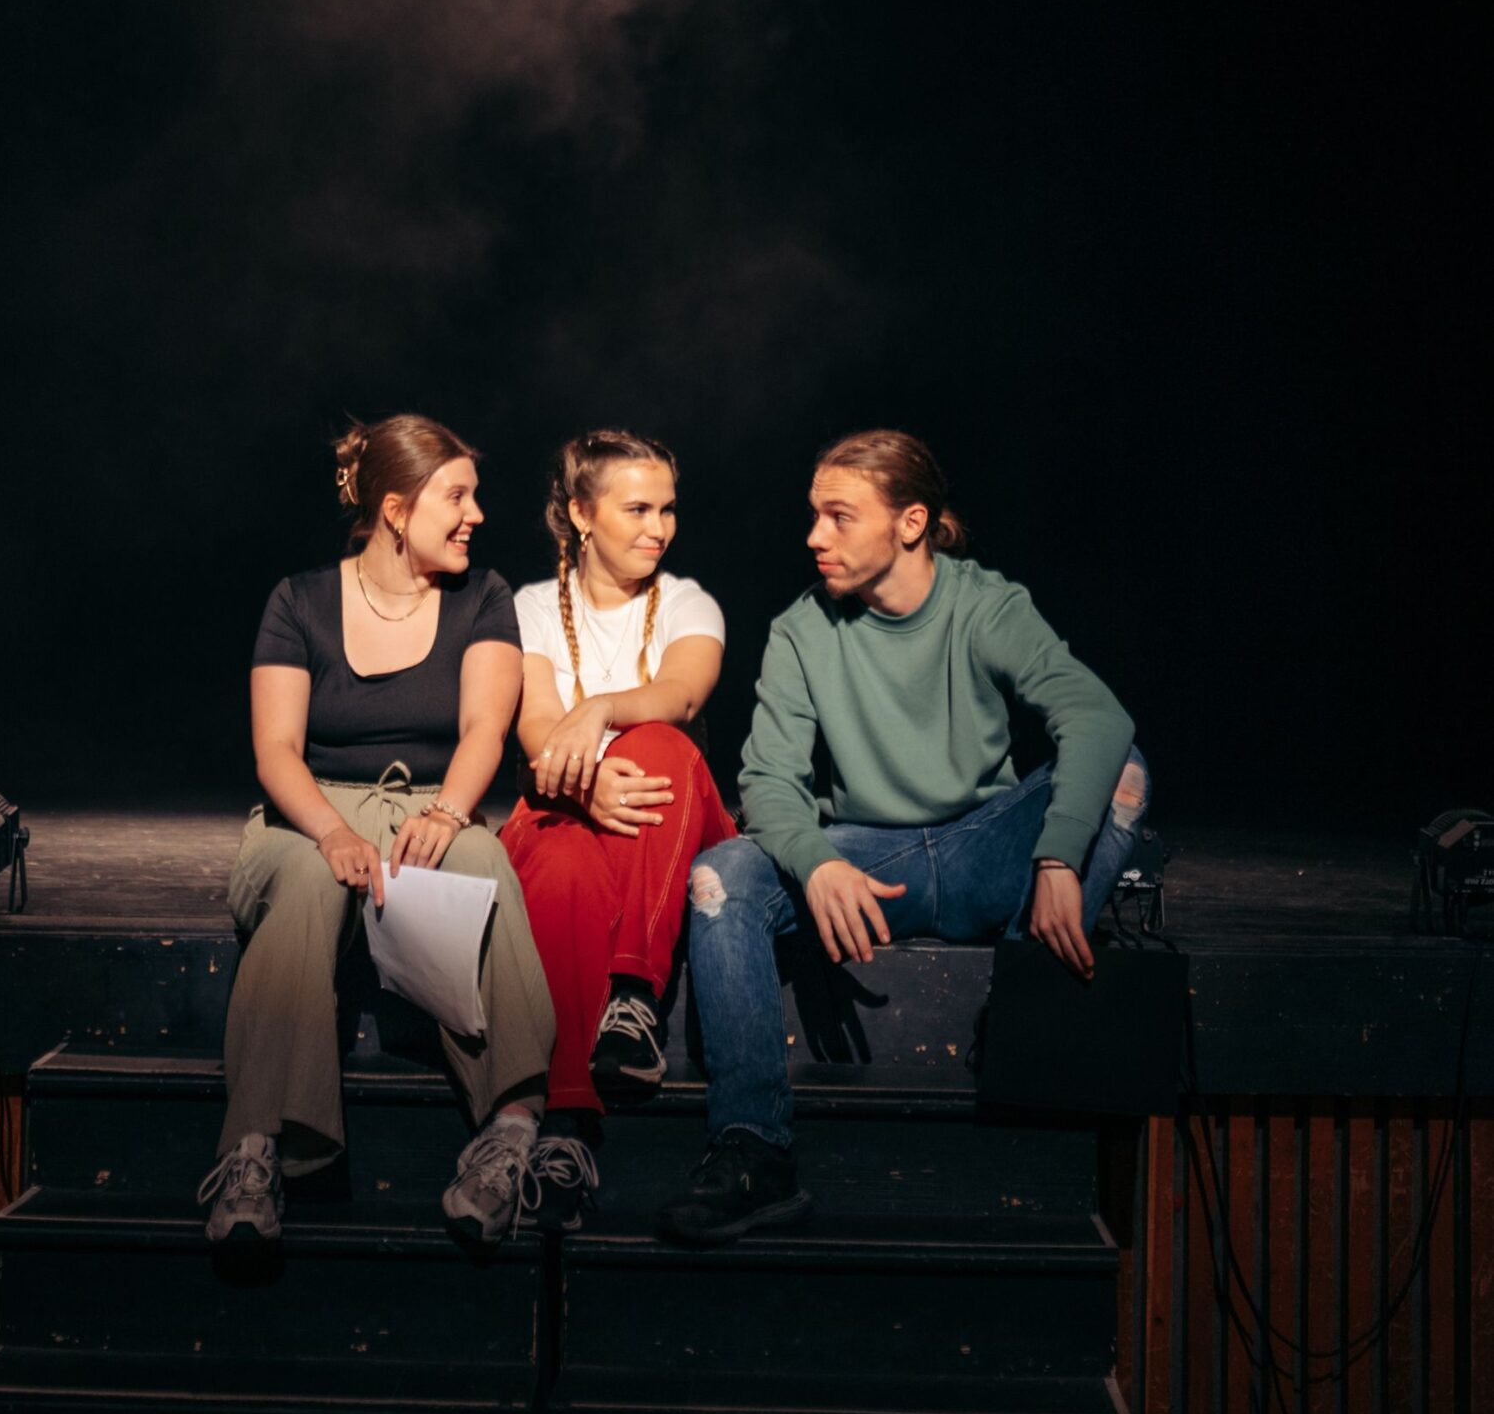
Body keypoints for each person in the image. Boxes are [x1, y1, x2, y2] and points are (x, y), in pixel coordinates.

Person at [659, 428, 1149, 1246]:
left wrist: (1057, 856)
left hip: (984, 847)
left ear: (911, 523)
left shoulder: (985, 604)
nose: (815, 536)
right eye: (815, 515)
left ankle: (1020, 1014)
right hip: (870, 858)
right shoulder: (804, 628)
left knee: (1123, 772)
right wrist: (817, 864)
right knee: (722, 878)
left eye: (840, 517)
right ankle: (753, 1150)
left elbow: (1097, 717)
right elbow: (769, 780)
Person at [199, 414, 557, 1255]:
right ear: (396, 510)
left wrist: (448, 813)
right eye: (456, 497)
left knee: (480, 858)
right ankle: (254, 1153)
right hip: (308, 813)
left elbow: (484, 730)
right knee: (307, 878)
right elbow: (276, 751)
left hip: (429, 806)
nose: (475, 515)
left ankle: (510, 1137)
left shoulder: (484, 597)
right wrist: (329, 832)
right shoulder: (300, 601)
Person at [499, 430, 734, 1221]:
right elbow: (537, 727)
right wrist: (586, 783)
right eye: (638, 509)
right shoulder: (531, 609)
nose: (658, 528)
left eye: (667, 509)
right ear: (581, 513)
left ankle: (633, 999)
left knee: (658, 741)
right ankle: (567, 1121)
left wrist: (599, 710)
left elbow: (681, 694)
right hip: (569, 806)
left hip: (670, 825)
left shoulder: (689, 601)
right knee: (562, 863)